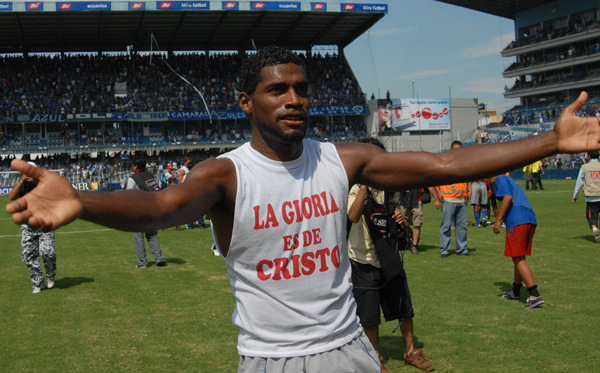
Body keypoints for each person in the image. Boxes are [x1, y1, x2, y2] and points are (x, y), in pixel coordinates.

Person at [7, 46, 600, 372]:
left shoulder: (343, 158)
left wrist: (550, 142)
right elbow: (159, 206)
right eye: (277, 89)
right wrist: (82, 201)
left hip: (351, 348)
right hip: (274, 359)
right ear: (246, 102)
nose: (294, 99)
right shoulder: (226, 174)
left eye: (302, 88)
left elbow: (446, 166)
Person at [347, 138, 434, 373]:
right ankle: (376, 358)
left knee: (403, 305)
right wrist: (364, 185)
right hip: (362, 258)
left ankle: (411, 351)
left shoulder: (386, 185)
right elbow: (353, 216)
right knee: (369, 314)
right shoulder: (352, 184)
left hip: (388, 253)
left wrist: (396, 213)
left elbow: (394, 208)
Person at [492, 174, 544, 308]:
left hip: (518, 221)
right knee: (518, 257)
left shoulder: (500, 179)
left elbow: (508, 197)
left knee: (518, 258)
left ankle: (534, 294)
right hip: (528, 219)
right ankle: (515, 291)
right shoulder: (507, 179)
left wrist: (498, 220)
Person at [8, 161, 57, 294]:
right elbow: (11, 196)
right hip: (27, 225)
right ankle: (38, 283)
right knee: (28, 256)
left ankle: (50, 273)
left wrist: (36, 182)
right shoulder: (22, 184)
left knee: (48, 252)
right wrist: (22, 181)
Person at [435, 141, 475, 258]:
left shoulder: (464, 163)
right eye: (455, 148)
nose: (457, 151)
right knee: (446, 226)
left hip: (462, 199)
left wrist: (469, 188)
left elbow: (468, 177)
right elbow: (436, 178)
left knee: (462, 226)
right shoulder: (445, 163)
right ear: (450, 149)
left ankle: (462, 249)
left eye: (459, 149)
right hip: (448, 199)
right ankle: (444, 250)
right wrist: (439, 192)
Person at [127, 159, 167, 269]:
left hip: (138, 211)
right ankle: (159, 258)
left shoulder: (132, 178)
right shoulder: (150, 176)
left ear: (135, 167)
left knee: (138, 238)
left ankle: (142, 263)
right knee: (152, 235)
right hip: (151, 210)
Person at [399, 187, 439, 254]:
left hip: (417, 200)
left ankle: (414, 246)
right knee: (404, 224)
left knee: (417, 223)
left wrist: (436, 199)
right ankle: (412, 236)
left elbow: (429, 185)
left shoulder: (417, 176)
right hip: (403, 201)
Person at [573, 151, 600, 243]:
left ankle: (595, 229)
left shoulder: (585, 167)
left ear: (588, 156)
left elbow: (579, 182)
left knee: (591, 216)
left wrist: (575, 195)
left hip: (591, 197)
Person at [180, 156, 205, 229]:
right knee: (199, 210)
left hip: (189, 195)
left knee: (190, 211)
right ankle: (201, 225)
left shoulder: (186, 176)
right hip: (197, 194)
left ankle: (190, 226)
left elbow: (182, 184)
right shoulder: (198, 175)